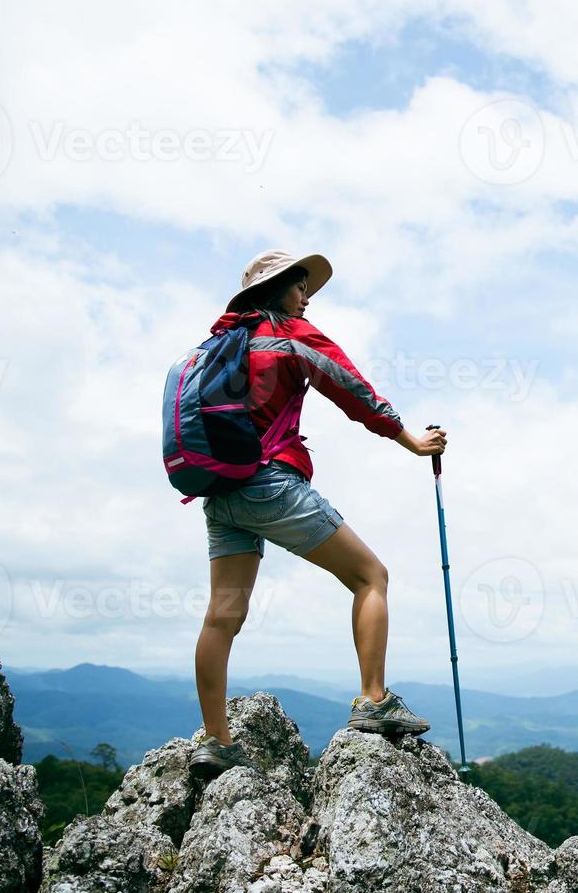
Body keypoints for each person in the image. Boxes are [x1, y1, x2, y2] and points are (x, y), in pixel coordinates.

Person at [188, 250, 448, 781]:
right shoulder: (293, 335)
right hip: (268, 483)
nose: (307, 297)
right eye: (300, 286)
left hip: (220, 494)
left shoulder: (216, 347)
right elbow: (356, 394)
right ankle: (373, 700)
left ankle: (216, 740)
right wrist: (413, 442)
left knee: (222, 616)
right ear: (277, 289)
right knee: (370, 576)